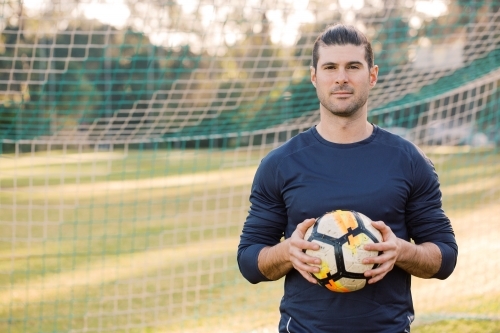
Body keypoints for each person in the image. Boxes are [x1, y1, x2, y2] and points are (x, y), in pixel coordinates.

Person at [237, 23, 458, 333]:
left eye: (353, 66)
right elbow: (249, 260)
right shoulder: (280, 165)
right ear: (314, 76)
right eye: (330, 67)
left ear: (372, 74)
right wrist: (287, 252)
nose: (341, 77)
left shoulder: (409, 160)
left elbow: (445, 257)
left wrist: (402, 251)